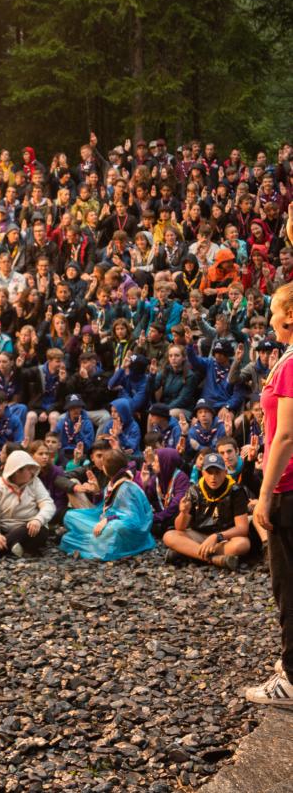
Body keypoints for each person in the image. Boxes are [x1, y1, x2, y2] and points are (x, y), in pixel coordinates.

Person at [246, 282, 293, 706]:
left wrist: (265, 492)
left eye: (274, 311)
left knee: (287, 582)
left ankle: (292, 679)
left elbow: (287, 435)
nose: (270, 319)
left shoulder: (292, 363)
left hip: (288, 486)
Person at [60, 450, 155, 561]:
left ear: (106, 468)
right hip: (106, 520)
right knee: (71, 516)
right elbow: (103, 507)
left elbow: (132, 519)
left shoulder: (126, 487)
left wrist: (108, 520)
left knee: (114, 527)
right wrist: (96, 491)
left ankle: (95, 539)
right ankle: (97, 537)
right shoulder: (113, 483)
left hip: (125, 528)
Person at [163, 452, 250, 570]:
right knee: (169, 536)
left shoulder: (236, 490)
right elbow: (180, 527)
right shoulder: (194, 490)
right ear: (203, 473)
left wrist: (216, 537)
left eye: (217, 472)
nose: (213, 477)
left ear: (225, 472)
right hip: (199, 535)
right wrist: (183, 512)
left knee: (243, 544)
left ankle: (189, 552)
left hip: (223, 538)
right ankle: (214, 559)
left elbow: (242, 528)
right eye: (209, 472)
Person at [0, 450, 55, 558]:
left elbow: (48, 504)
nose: (32, 472)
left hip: (26, 527)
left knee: (41, 532)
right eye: (28, 469)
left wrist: (38, 519)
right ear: (17, 471)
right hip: (3, 526)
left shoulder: (35, 482)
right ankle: (12, 545)